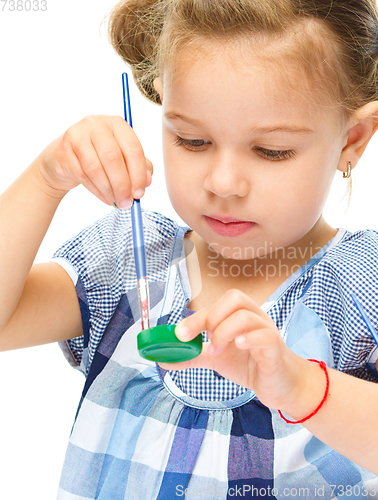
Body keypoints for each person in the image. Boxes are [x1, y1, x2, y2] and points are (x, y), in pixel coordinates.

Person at [1, 0, 378, 497]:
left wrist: (302, 387)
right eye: (192, 140)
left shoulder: (360, 285)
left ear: (352, 139)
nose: (223, 183)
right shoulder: (126, 262)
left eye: (271, 151)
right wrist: (46, 179)